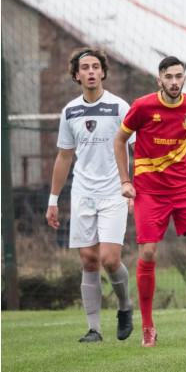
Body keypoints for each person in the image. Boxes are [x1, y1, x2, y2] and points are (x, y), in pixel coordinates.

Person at [114, 56, 186, 348]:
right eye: (169, 77)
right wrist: (125, 182)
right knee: (149, 253)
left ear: (184, 78)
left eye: (179, 76)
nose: (174, 81)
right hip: (149, 191)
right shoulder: (142, 107)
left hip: (184, 188)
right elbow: (119, 140)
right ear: (159, 80)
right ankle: (148, 327)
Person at [46, 47, 135, 343]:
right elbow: (63, 157)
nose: (91, 71)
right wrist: (53, 200)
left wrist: (133, 187)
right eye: (85, 67)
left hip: (114, 192)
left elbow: (137, 150)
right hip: (83, 193)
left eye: (96, 66)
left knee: (109, 259)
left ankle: (125, 306)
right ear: (76, 75)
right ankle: (94, 329)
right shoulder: (70, 111)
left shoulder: (120, 107)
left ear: (103, 72)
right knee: (88, 260)